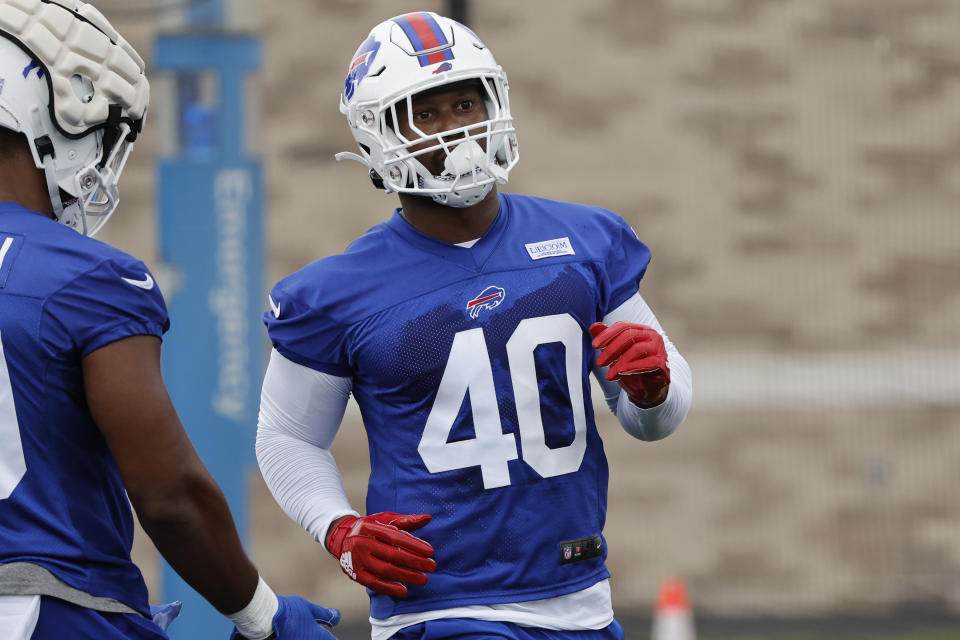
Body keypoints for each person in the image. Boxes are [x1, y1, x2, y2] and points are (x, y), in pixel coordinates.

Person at [256, 10, 692, 640]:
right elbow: (287, 436)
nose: (454, 129)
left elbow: (655, 419)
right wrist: (338, 527)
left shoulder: (586, 240)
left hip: (583, 601)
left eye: (465, 103)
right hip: (443, 611)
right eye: (425, 114)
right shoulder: (334, 291)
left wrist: (652, 390)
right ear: (379, 133)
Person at [0, 2, 340, 639]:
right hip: (48, 611)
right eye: (99, 132)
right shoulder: (85, 276)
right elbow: (170, 495)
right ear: (46, 115)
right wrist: (263, 616)